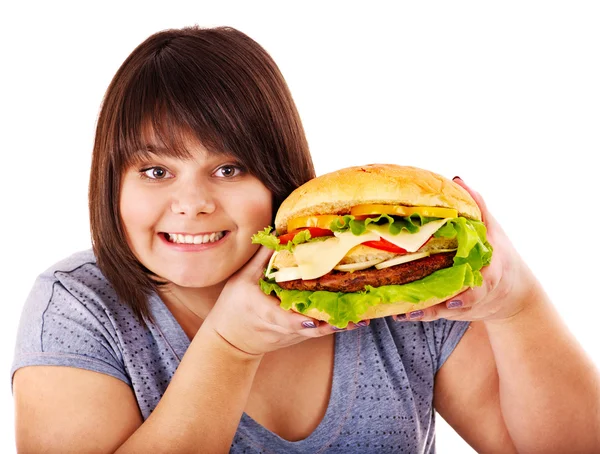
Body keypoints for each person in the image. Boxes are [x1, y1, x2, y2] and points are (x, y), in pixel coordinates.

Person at [11, 25, 599, 453]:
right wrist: (228, 347)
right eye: (155, 171)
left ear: (279, 177)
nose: (191, 203)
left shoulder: (398, 288)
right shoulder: (77, 307)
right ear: (109, 183)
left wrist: (519, 305)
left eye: (229, 168)